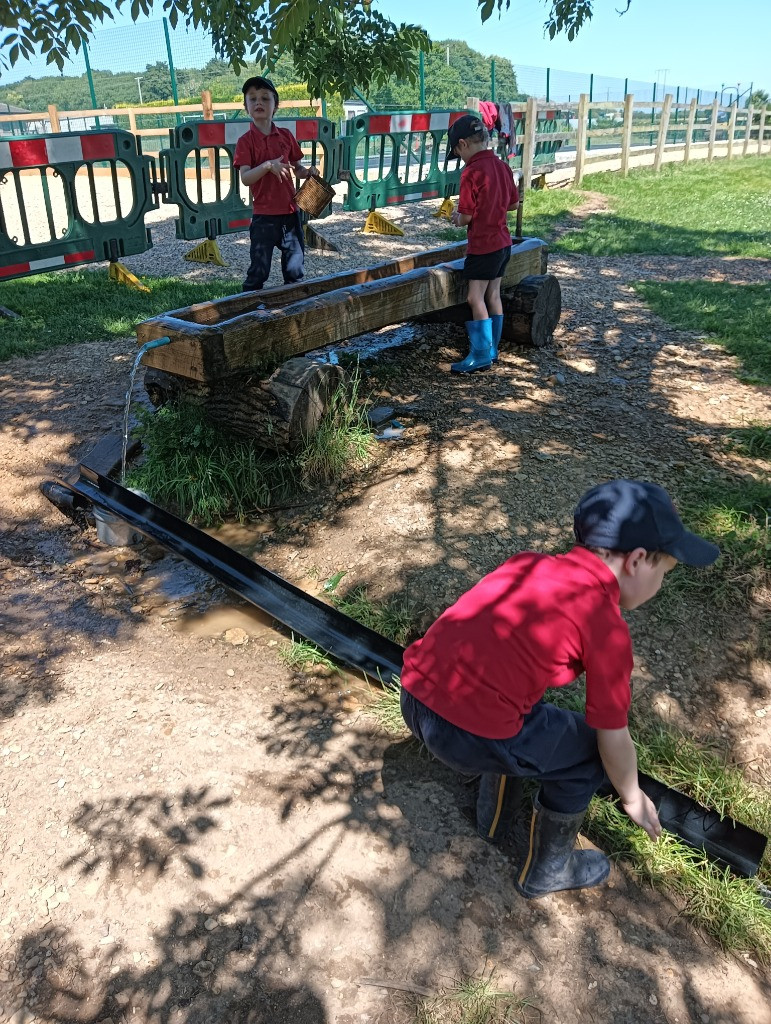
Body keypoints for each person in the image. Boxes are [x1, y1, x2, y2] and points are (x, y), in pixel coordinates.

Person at [399, 479, 720, 899]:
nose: (661, 583)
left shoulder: (526, 564)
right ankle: (548, 871)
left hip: (413, 696)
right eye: (665, 571)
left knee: (519, 711)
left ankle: (491, 819)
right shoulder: (606, 628)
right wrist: (632, 795)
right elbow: (612, 736)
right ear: (638, 560)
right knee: (588, 755)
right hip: (466, 735)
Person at [446, 113, 520, 373]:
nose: (460, 158)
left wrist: (455, 217)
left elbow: (466, 217)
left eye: (457, 152)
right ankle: (493, 349)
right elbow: (513, 203)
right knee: (493, 295)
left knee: (474, 297)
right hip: (503, 243)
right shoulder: (502, 166)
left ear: (463, 144)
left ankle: (480, 355)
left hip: (483, 246)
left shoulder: (471, 173)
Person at [233, 76, 320, 293]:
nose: (258, 102)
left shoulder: (286, 136)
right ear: (246, 107)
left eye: (265, 98)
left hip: (291, 214)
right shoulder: (245, 142)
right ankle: (247, 309)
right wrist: (267, 166)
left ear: (275, 105)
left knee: (295, 268)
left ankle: (293, 309)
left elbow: (296, 169)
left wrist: (308, 172)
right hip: (264, 218)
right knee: (259, 270)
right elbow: (245, 178)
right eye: (252, 99)